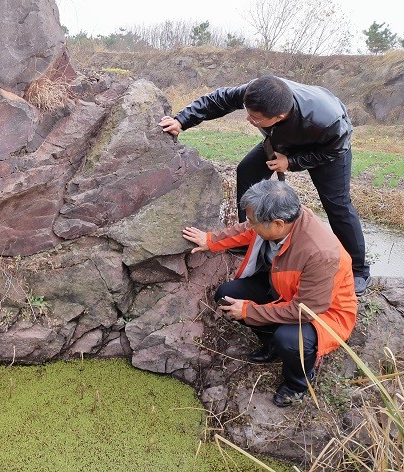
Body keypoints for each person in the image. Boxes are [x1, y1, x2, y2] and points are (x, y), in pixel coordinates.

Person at [159, 75, 371, 296]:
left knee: (337, 204)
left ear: (279, 116)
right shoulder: (257, 92)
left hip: (327, 148)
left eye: (255, 118)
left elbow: (336, 149)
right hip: (283, 139)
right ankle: (247, 239)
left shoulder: (328, 120)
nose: (248, 119)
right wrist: (182, 120)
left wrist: (291, 162)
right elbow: (218, 100)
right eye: (248, 113)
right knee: (247, 171)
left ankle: (359, 271)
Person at [182, 180, 357, 407]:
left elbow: (306, 311)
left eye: (254, 223)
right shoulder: (284, 217)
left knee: (290, 339)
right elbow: (246, 231)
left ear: (278, 224)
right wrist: (211, 241)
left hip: (324, 314)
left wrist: (249, 311)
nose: (250, 226)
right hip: (284, 291)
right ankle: (273, 345)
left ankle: (298, 382)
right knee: (227, 296)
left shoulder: (321, 254)